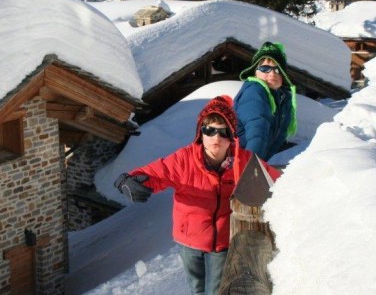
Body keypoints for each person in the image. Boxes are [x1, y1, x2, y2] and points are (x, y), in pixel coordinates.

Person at [113, 95, 281, 295]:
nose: (216, 138)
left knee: (215, 291)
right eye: (209, 130)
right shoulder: (184, 159)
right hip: (189, 239)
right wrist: (129, 180)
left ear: (232, 136)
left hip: (223, 241)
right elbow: (156, 173)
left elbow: (276, 182)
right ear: (200, 133)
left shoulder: (243, 161)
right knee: (197, 289)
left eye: (223, 131)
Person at [234, 41, 298, 161]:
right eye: (265, 68)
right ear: (255, 72)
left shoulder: (282, 99)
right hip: (237, 163)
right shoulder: (255, 92)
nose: (272, 73)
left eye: (277, 69)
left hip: (254, 161)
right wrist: (251, 170)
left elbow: (277, 138)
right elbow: (257, 134)